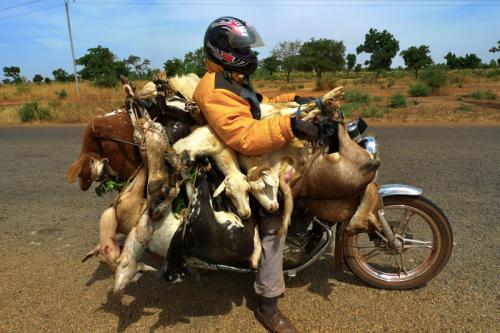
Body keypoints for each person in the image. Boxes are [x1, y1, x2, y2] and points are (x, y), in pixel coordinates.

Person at [193, 16, 318, 333]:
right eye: (242, 47)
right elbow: (243, 135)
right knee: (274, 216)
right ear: (222, 51)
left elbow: (259, 106)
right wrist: (290, 125)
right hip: (241, 162)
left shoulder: (233, 79)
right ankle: (268, 304)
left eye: (248, 45)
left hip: (257, 151)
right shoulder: (213, 88)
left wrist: (295, 103)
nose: (250, 52)